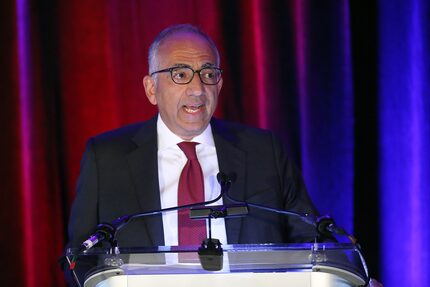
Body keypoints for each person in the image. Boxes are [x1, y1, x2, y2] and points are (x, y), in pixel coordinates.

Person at [66, 23, 383, 287]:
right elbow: (79, 258)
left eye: (208, 74)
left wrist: (358, 278)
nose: (197, 89)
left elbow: (313, 235)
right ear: (151, 89)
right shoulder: (107, 158)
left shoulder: (262, 151)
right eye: (180, 74)